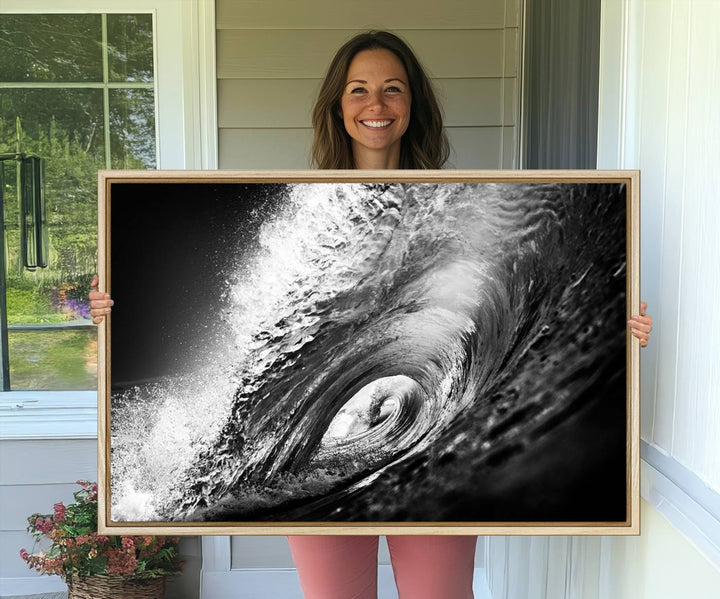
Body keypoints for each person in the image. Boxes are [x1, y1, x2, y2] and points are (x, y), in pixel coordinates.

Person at [90, 30, 653, 599]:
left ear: (413, 105)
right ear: (339, 105)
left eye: (392, 89)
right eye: (358, 90)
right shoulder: (314, 203)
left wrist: (622, 319)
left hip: (436, 425)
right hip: (325, 449)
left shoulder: (464, 196)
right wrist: (106, 312)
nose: (376, 105)